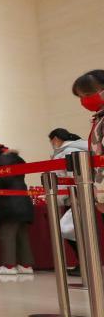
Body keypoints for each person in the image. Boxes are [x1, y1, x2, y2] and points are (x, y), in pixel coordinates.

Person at [0, 142, 35, 275]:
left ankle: (9, 266)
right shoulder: (15, 159)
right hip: (23, 201)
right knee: (22, 235)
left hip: (10, 203)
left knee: (7, 234)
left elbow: (4, 180)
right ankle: (26, 265)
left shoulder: (2, 161)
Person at [70, 70, 104, 213]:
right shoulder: (99, 118)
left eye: (88, 94)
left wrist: (102, 196)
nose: (84, 101)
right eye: (81, 97)